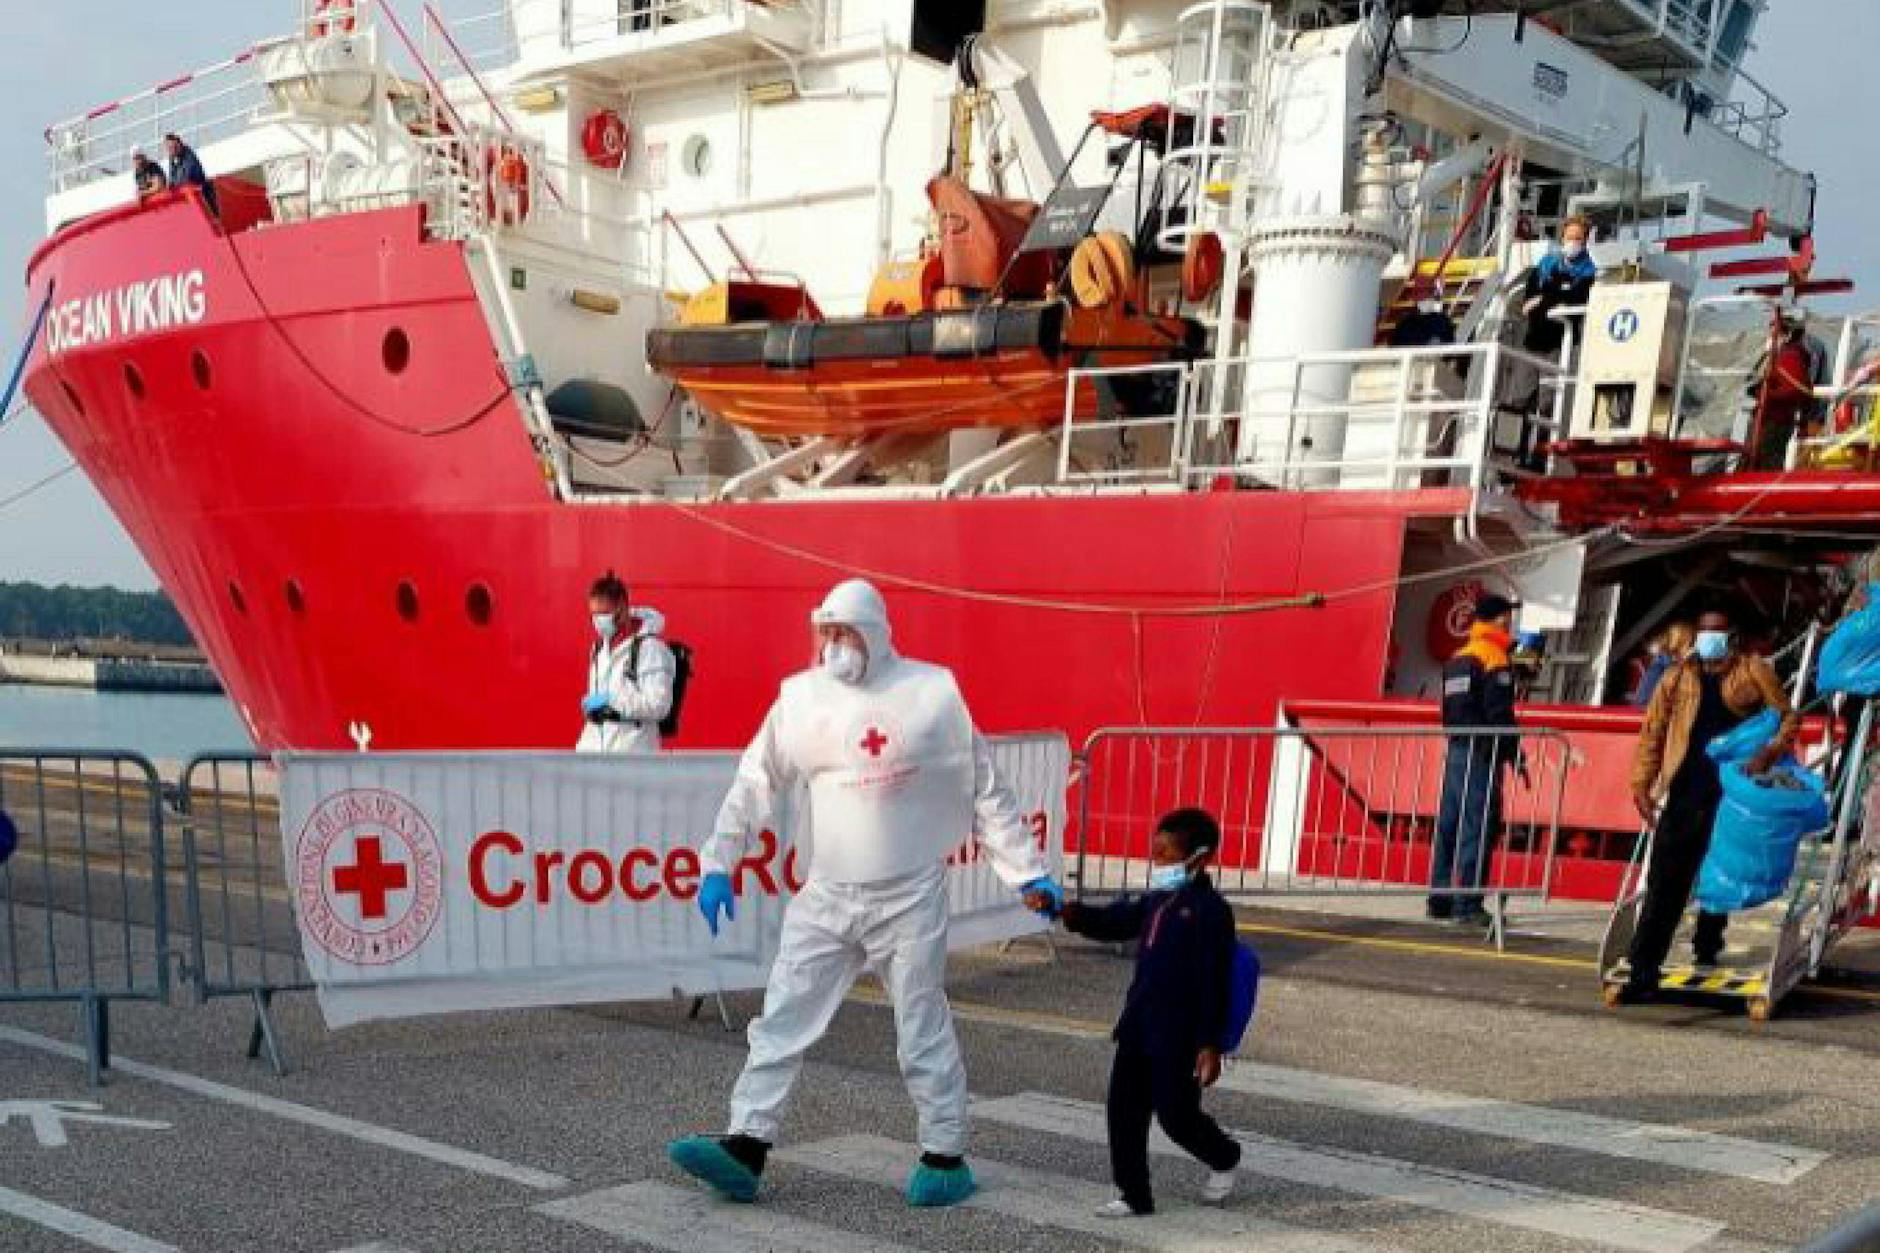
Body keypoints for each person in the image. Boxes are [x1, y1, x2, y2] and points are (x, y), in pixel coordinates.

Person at [668, 579, 1064, 1208]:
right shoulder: (801, 703)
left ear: (875, 634)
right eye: (825, 632)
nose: (833, 645)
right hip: (826, 894)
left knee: (920, 1021)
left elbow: (985, 790)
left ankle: (945, 1152)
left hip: (909, 895)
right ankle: (746, 1145)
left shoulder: (931, 696)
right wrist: (720, 861)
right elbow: (754, 780)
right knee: (781, 1019)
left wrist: (1025, 871)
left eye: (845, 632)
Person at [1059, 808, 1242, 1219]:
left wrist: (1210, 1043)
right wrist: (1070, 914)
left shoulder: (1211, 912)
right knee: (1123, 1111)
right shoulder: (1157, 899)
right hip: (1139, 1023)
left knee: (1176, 1116)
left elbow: (1215, 980)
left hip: (1179, 1033)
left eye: (1165, 855)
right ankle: (1133, 1194)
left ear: (1199, 857)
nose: (1156, 863)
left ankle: (1224, 1155)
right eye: (1154, 853)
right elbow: (1116, 922)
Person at [1618, 607, 1798, 1003]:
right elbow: (1653, 732)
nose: (1708, 637)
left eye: (1716, 631)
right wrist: (1641, 784)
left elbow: (1787, 719)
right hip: (1684, 789)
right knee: (1664, 883)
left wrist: (1768, 753)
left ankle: (1707, 942)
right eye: (1703, 631)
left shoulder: (1753, 672)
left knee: (1720, 870)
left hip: (1730, 793)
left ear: (1731, 635)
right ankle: (1642, 970)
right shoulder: (1676, 676)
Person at [1428, 593, 1528, 926]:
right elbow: (1500, 713)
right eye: (1507, 616)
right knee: (1479, 824)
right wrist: (1515, 753)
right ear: (1500, 619)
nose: (1510, 622)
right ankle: (1467, 903)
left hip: (1457, 747)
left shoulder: (1458, 657)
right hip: (1484, 752)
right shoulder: (1494, 658)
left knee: (1449, 824)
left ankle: (1438, 898)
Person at [577, 570, 674, 754]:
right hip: (594, 752)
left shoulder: (650, 649)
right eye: (594, 615)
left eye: (604, 613)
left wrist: (612, 702)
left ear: (622, 607)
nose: (598, 621)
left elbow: (659, 705)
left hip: (631, 754)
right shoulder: (598, 648)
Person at [1749, 311, 1821, 470]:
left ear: (1787, 335)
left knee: (1767, 462)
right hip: (1773, 419)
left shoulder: (1790, 357)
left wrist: (1763, 393)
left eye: (1775, 332)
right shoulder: (1781, 356)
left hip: (1775, 421)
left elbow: (1793, 391)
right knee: (1763, 460)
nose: (1770, 337)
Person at [1521, 216, 1598, 359]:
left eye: (1577, 238)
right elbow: (1526, 304)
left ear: (1585, 241)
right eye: (1569, 238)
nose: (1572, 242)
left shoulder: (1590, 271)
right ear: (1562, 238)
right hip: (1533, 342)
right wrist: (1555, 296)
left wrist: (1542, 299)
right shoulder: (1546, 263)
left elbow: (1575, 300)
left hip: (1565, 345)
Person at [1634, 623, 1695, 707]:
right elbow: (1644, 701)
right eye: (1691, 643)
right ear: (1680, 643)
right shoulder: (1658, 669)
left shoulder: (1684, 667)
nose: (1693, 648)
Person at [162, 133, 218, 218]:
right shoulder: (173, 158)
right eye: (169, 148)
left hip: (203, 195)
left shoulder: (188, 155)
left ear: (178, 143)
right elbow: (172, 178)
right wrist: (170, 185)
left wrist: (175, 184)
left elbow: (188, 175)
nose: (172, 150)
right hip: (188, 198)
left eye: (173, 147)